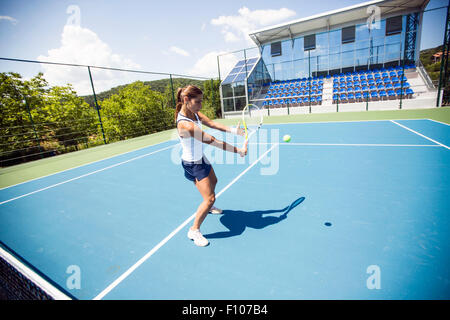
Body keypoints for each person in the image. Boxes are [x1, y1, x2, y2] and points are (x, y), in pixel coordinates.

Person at [176, 85, 247, 247]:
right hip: (193, 164)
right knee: (210, 198)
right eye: (198, 101)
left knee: (214, 181)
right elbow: (212, 140)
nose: (201, 105)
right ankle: (194, 230)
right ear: (187, 100)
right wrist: (239, 151)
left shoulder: (193, 112)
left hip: (200, 158)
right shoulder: (185, 125)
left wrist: (234, 131)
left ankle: (208, 207)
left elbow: (212, 124)